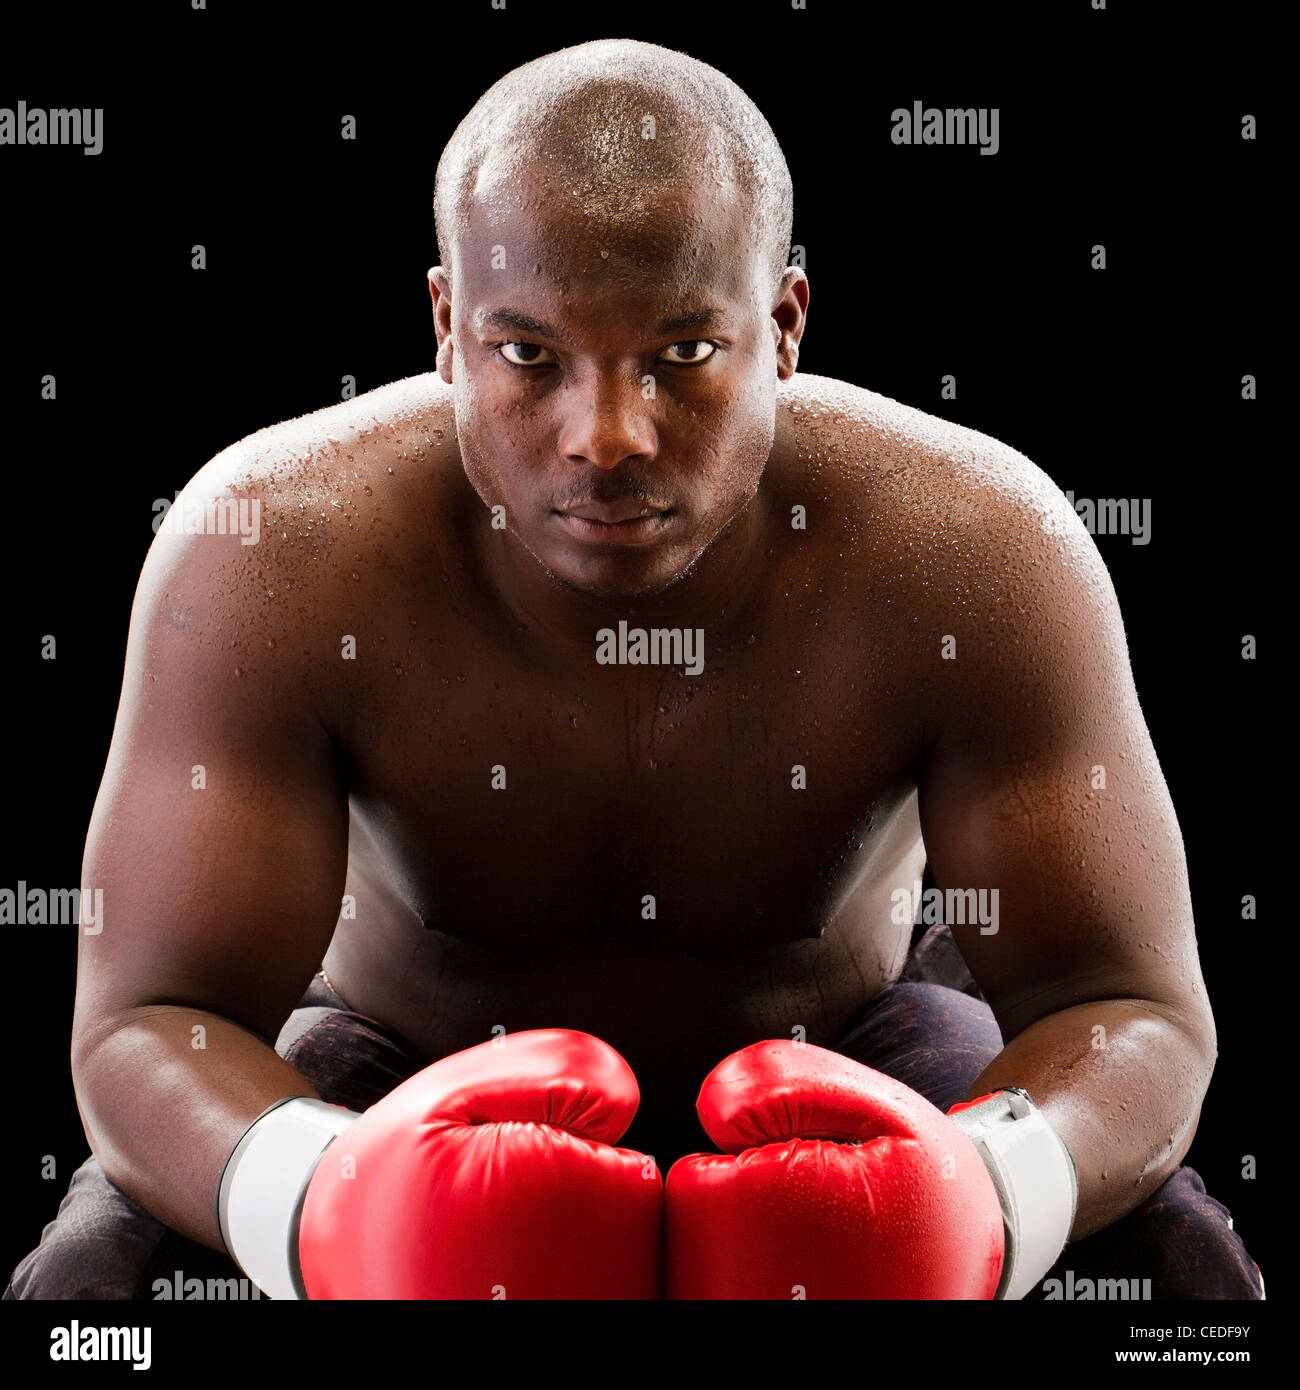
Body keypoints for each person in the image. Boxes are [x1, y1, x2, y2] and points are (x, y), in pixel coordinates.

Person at [7, 37, 1262, 1300]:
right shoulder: (269, 549)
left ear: (782, 325)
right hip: (406, 1059)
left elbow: (1132, 1008)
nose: (606, 437)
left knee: (1187, 1278)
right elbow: (149, 1016)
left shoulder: (978, 546)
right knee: (88, 1293)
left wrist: (989, 1194)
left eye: (681, 354)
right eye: (530, 356)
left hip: (846, 1048)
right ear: (446, 327)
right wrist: (320, 1200)